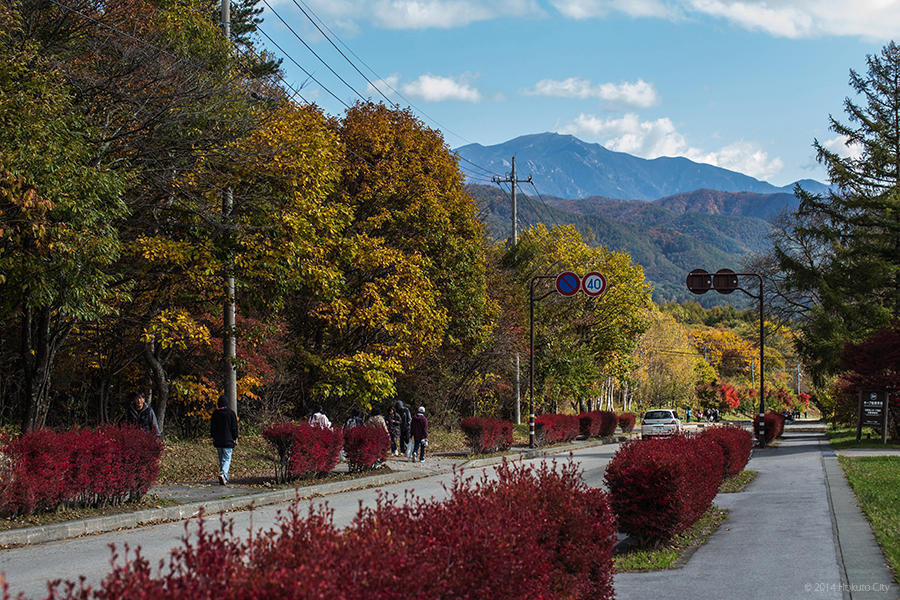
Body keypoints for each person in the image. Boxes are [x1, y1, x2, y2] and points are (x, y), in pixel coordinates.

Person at [210, 395, 238, 485]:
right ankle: (223, 474)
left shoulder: (215, 413)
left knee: (221, 459)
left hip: (218, 441)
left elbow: (212, 427)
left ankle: (225, 478)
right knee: (227, 459)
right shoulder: (231, 413)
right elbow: (234, 427)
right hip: (228, 440)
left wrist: (213, 437)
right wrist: (235, 438)